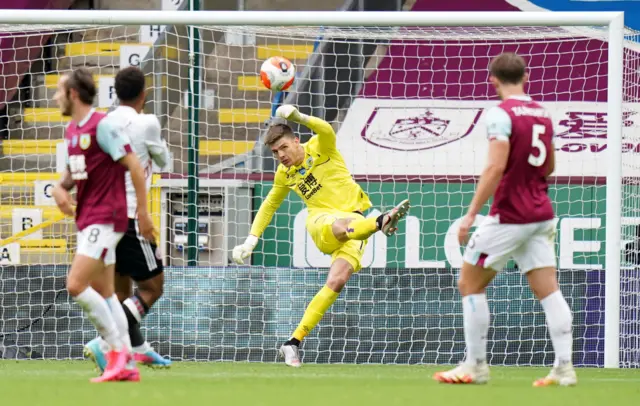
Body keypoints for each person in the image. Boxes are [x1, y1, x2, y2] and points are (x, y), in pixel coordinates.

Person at [433, 53, 576, 386]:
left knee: (469, 283)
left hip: (511, 214)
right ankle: (564, 368)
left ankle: (475, 365)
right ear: (525, 77)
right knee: (549, 290)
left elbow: (496, 166)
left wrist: (471, 214)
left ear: (493, 79)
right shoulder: (543, 113)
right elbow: (550, 166)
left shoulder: (500, 114)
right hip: (541, 213)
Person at [232, 105, 410, 367]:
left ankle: (292, 342)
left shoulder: (322, 146)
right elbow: (269, 204)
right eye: (275, 152)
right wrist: (251, 239)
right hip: (322, 221)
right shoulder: (285, 174)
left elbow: (325, 128)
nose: (280, 155)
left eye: (283, 148)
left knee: (337, 281)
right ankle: (381, 221)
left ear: (296, 140)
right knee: (344, 224)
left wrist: (298, 117)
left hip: (357, 221)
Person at [51, 67, 156, 382]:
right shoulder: (73, 130)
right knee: (107, 293)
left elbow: (135, 167)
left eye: (59, 91)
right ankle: (127, 365)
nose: (55, 97)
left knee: (75, 285)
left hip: (107, 216)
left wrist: (145, 213)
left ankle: (116, 351)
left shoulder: (104, 126)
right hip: (88, 218)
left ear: (72, 94)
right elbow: (75, 173)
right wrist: (59, 188)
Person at [83, 66, 172, 371]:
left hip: (106, 217)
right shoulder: (146, 122)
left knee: (121, 293)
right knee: (153, 287)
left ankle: (136, 350)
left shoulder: (103, 122)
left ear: (115, 93)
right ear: (144, 94)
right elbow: (164, 160)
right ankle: (107, 343)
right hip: (133, 216)